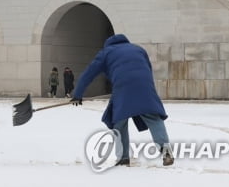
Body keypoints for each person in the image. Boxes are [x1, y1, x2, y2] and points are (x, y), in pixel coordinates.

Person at [71, 34, 174, 167]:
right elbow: (148, 69)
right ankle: (166, 152)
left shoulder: (106, 52)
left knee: (119, 122)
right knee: (154, 119)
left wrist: (78, 94)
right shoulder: (138, 49)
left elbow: (88, 74)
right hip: (145, 86)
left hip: (123, 88)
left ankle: (123, 158)